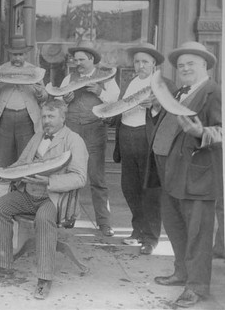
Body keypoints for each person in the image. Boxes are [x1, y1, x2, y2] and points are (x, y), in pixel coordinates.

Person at [0, 100, 88, 300]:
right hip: (29, 193)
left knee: (44, 218)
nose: (46, 120)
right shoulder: (37, 136)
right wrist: (4, 172)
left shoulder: (74, 140)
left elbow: (80, 177)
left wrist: (50, 181)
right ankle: (1, 265)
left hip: (54, 198)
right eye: (44, 116)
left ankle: (44, 279)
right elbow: (22, 164)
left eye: (51, 116)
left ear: (63, 118)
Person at [148, 41, 221, 308]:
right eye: (181, 65)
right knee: (175, 227)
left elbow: (222, 131)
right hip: (170, 172)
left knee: (198, 233)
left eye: (191, 63)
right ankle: (181, 272)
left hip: (197, 175)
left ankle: (197, 287)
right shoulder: (179, 92)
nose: (185, 68)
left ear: (205, 65)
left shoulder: (214, 92)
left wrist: (201, 133)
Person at [113, 43, 174, 254]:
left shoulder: (163, 84)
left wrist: (156, 106)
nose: (140, 65)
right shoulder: (129, 82)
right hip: (127, 138)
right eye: (137, 61)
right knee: (129, 188)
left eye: (145, 62)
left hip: (147, 140)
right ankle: (137, 229)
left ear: (154, 64)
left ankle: (151, 238)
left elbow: (174, 113)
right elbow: (121, 108)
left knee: (149, 191)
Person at [57, 41, 119, 237]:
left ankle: (104, 222)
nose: (78, 63)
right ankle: (66, 217)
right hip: (72, 132)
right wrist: (65, 100)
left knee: (97, 179)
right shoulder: (69, 78)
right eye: (76, 59)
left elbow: (116, 101)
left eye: (82, 59)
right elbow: (59, 104)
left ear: (92, 59)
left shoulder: (106, 78)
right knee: (68, 176)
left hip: (95, 131)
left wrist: (99, 92)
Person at [0, 36, 48, 168]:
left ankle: (23, 188)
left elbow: (44, 98)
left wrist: (39, 91)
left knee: (25, 158)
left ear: (26, 54)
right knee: (1, 158)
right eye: (14, 55)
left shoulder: (34, 71)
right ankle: (2, 187)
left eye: (20, 54)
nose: (17, 58)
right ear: (10, 54)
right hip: (5, 118)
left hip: (26, 118)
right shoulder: (1, 70)